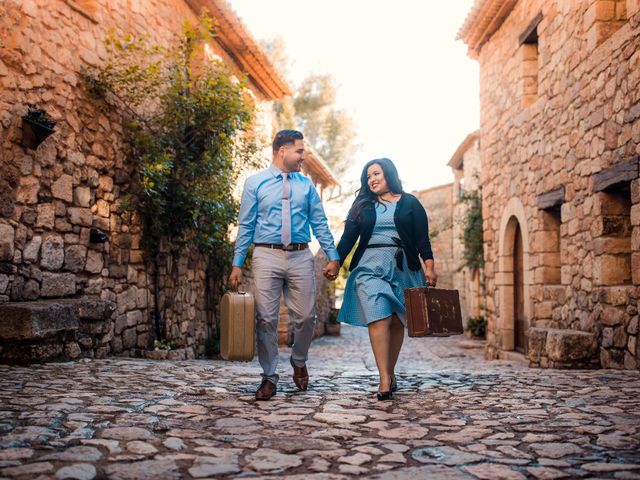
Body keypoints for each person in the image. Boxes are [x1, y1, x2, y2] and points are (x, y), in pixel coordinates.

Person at [229, 130, 341, 401]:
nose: (304, 156)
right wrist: (237, 263)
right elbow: (246, 225)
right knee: (266, 319)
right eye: (300, 151)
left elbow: (320, 224)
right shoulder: (255, 183)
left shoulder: (306, 186)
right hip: (266, 255)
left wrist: (333, 254)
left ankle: (298, 360)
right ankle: (269, 377)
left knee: (306, 317)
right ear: (282, 151)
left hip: (301, 256)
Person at [331, 158, 437, 401]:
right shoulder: (362, 206)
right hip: (369, 266)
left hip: (404, 268)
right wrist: (335, 261)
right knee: (379, 316)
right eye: (368, 176)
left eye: (376, 173)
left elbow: (423, 239)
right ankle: (384, 379)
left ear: (389, 174)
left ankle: (389, 371)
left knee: (398, 321)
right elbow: (348, 239)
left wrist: (429, 267)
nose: (372, 179)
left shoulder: (410, 203)